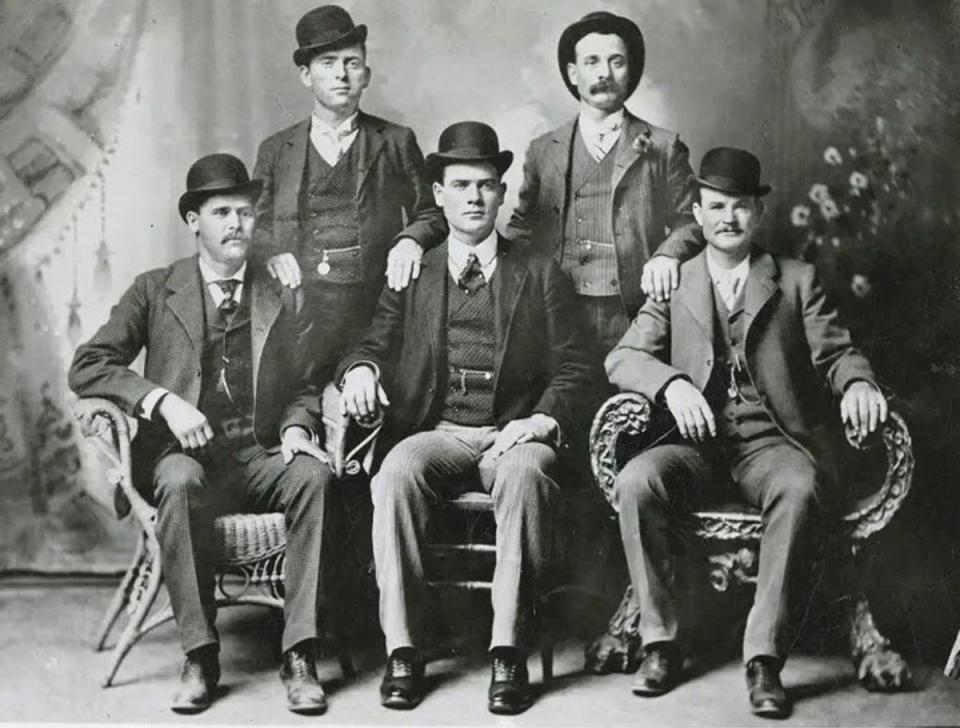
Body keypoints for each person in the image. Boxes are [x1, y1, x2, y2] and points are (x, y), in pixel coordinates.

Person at [605, 147, 888, 718]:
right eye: (716, 207)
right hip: (694, 448)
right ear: (699, 214)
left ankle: (764, 660)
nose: (728, 218)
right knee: (636, 481)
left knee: (800, 484)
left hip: (769, 444)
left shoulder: (795, 280)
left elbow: (838, 354)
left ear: (756, 215)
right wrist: (672, 387)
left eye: (739, 207)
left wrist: (858, 384)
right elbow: (623, 359)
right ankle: (659, 644)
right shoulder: (676, 284)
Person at [337, 122, 601, 715]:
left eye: (486, 185)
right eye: (461, 185)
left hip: (514, 434)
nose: (475, 197)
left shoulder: (538, 274)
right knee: (394, 474)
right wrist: (359, 370)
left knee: (529, 472)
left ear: (502, 193)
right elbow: (373, 342)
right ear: (439, 194)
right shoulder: (414, 273)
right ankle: (404, 649)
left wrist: (537, 423)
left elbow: (576, 370)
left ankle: (509, 651)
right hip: (439, 433)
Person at [69, 154, 339, 715]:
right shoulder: (155, 289)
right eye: (222, 212)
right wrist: (161, 401)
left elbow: (308, 380)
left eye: (245, 212)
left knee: (313, 474)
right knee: (177, 480)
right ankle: (200, 654)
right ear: (194, 221)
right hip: (182, 455)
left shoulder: (277, 289)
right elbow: (89, 364)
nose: (237, 224)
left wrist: (295, 427)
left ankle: (299, 652)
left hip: (261, 451)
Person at [252, 4, 446, 386]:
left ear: (367, 75)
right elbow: (251, 227)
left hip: (376, 310)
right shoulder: (276, 150)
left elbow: (433, 214)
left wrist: (410, 240)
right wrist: (271, 252)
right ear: (306, 75)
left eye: (352, 63)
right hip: (300, 312)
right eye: (328, 63)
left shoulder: (395, 141)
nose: (341, 74)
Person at [505, 10, 703, 353]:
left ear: (631, 72)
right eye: (592, 61)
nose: (604, 74)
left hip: (635, 312)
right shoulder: (542, 150)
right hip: (557, 312)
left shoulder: (664, 145)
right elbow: (523, 228)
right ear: (573, 72)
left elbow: (691, 221)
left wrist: (667, 255)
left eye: (616, 62)